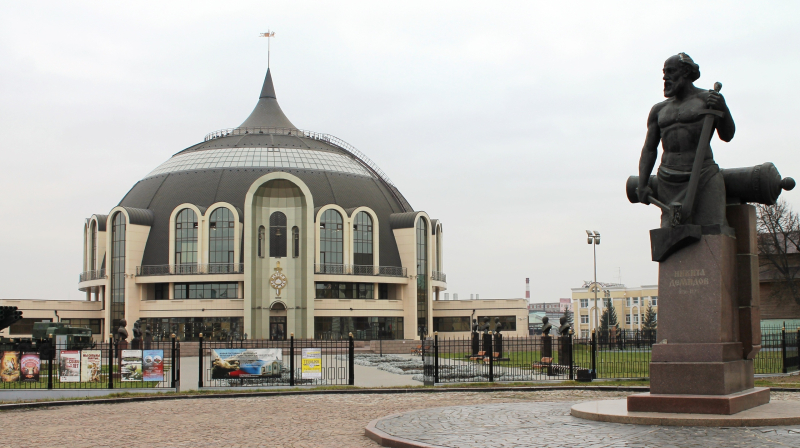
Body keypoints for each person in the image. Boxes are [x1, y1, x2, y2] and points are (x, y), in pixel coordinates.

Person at [637, 53, 735, 228]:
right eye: (664, 73)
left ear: (686, 72)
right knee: (670, 236)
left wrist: (723, 108)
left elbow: (727, 135)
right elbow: (649, 149)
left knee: (713, 230)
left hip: (703, 174)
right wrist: (642, 183)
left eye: (671, 71)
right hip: (668, 179)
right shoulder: (659, 110)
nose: (665, 77)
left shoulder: (707, 100)